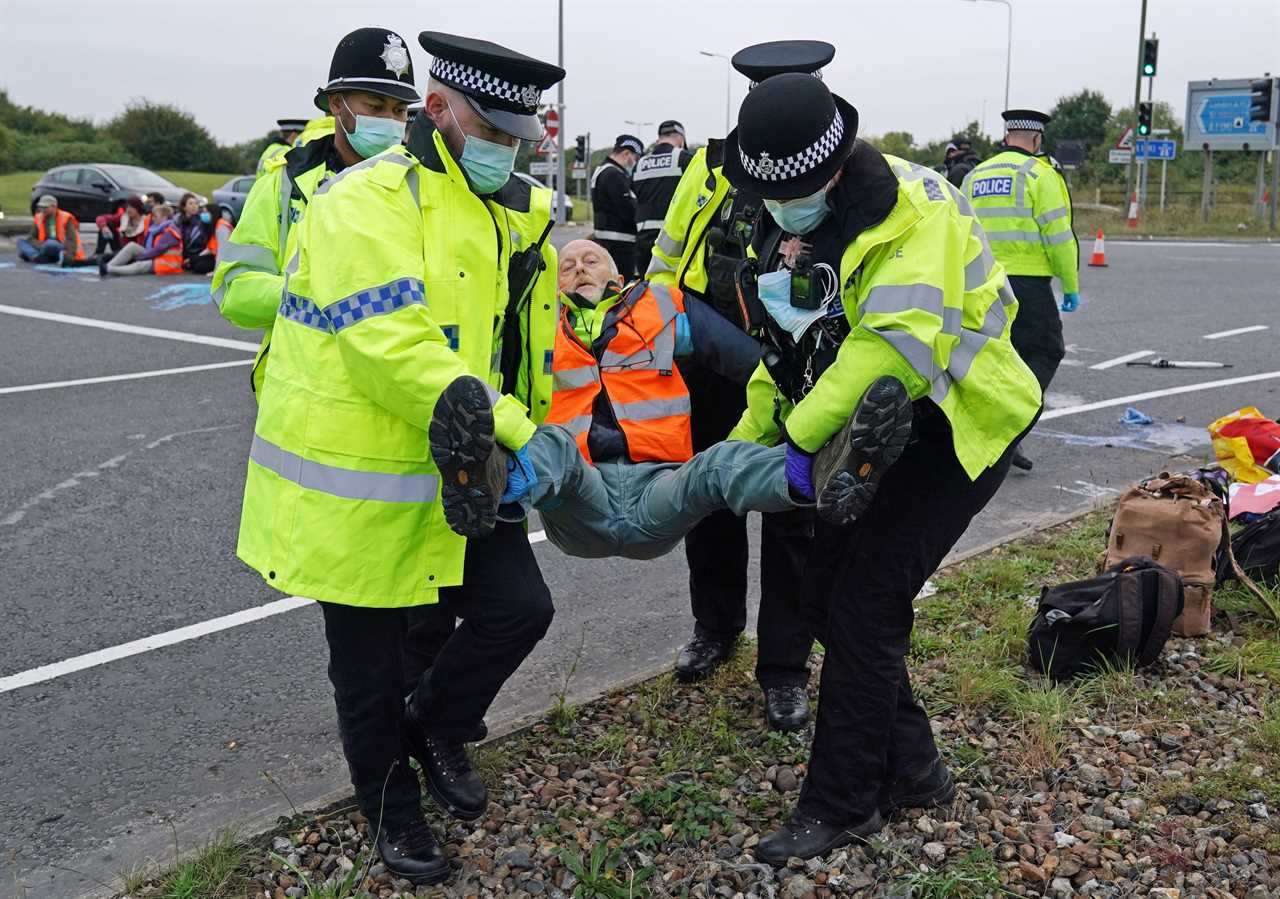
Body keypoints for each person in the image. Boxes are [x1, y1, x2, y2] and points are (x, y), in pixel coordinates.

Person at [234, 31, 564, 886]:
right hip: (358, 475)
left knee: (517, 609)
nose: (506, 149)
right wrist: (523, 432)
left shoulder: (498, 210)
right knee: (369, 667)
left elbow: (506, 337)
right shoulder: (363, 201)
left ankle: (434, 724)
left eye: (517, 137)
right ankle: (391, 807)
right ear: (443, 112)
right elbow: (393, 343)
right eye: (491, 131)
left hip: (456, 464)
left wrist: (528, 425)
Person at [718, 74, 1041, 864]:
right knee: (825, 597)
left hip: (956, 425)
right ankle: (917, 768)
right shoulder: (791, 222)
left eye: (790, 191)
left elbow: (888, 346)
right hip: (869, 427)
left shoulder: (913, 211)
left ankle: (842, 800)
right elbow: (788, 352)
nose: (777, 207)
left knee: (866, 603)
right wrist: (737, 444)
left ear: (831, 168)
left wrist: (792, 440)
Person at [427, 238, 880, 556]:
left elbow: (746, 361)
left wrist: (812, 395)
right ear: (554, 287)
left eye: (591, 260)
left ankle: (823, 474)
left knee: (718, 464)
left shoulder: (662, 307)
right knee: (551, 446)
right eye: (567, 266)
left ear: (618, 275)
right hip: (579, 496)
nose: (579, 268)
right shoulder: (538, 325)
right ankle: (488, 483)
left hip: (658, 493)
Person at [645, 39, 834, 731]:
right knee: (712, 500)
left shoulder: (825, 166)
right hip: (707, 359)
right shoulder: (710, 162)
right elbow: (670, 251)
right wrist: (662, 322)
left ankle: (784, 668)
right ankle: (715, 628)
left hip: (790, 364)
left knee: (791, 516)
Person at [213, 28, 401, 398]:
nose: (391, 122)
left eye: (399, 111)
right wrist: (320, 293)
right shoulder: (285, 182)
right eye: (375, 108)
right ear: (336, 104)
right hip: (298, 394)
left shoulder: (424, 186)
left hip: (390, 396)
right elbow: (235, 292)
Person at [964, 109, 1078, 472]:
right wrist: (1070, 284)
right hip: (1027, 284)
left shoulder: (974, 175)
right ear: (1037, 140)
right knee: (1045, 352)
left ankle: (992, 437)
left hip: (980, 282)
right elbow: (1058, 237)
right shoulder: (1040, 175)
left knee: (995, 357)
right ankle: (1008, 432)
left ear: (1007, 135)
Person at [632, 120, 694, 276]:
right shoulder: (684, 158)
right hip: (673, 240)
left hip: (644, 237)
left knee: (646, 289)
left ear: (659, 138)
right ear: (680, 139)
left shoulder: (640, 163)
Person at [590, 134, 641, 279]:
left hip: (606, 241)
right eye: (635, 158)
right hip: (620, 246)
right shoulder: (614, 174)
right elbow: (628, 210)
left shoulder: (601, 170)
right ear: (626, 154)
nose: (635, 163)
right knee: (622, 291)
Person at [100, 203, 183, 276]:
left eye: (156, 216)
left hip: (168, 263)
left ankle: (108, 269)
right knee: (132, 246)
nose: (153, 219)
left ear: (164, 218)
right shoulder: (157, 228)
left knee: (140, 265)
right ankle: (108, 266)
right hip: (158, 257)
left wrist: (140, 257)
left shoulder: (170, 232)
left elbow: (158, 250)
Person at [19, 195, 85, 264]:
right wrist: (42, 245)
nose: (42, 210)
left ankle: (35, 255)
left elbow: (71, 239)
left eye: (45, 207)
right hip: (43, 246)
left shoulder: (65, 217)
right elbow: (31, 238)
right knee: (21, 241)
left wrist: (69, 256)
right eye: (41, 207)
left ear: (54, 207)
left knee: (50, 243)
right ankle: (37, 257)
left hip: (60, 247)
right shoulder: (39, 218)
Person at [186, 204, 228, 275]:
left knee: (198, 267)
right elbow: (210, 249)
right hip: (215, 256)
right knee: (192, 261)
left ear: (213, 213)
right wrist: (195, 258)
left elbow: (223, 251)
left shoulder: (221, 226)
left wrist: (216, 271)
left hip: (224, 259)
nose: (203, 215)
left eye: (205, 212)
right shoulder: (214, 225)